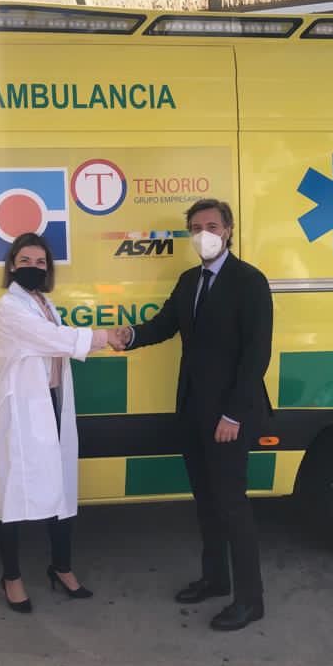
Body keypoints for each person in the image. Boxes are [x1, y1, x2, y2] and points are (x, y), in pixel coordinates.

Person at [109, 198, 273, 631]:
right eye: (196, 228)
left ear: (228, 231)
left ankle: (250, 599)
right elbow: (164, 325)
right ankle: (216, 579)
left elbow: (256, 355)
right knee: (206, 502)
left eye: (212, 226)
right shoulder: (188, 281)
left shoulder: (249, 281)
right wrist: (129, 336)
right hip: (193, 412)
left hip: (229, 417)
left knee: (232, 505)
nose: (204, 234)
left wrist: (233, 415)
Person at [0, 232, 109, 613]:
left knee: (62, 486)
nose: (33, 268)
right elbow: (49, 338)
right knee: (12, 492)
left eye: (40, 262)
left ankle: (61, 567)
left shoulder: (46, 303)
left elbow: (58, 342)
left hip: (52, 404)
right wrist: (105, 337)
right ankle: (11, 577)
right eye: (25, 261)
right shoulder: (9, 306)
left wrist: (96, 340)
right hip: (23, 410)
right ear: (12, 266)